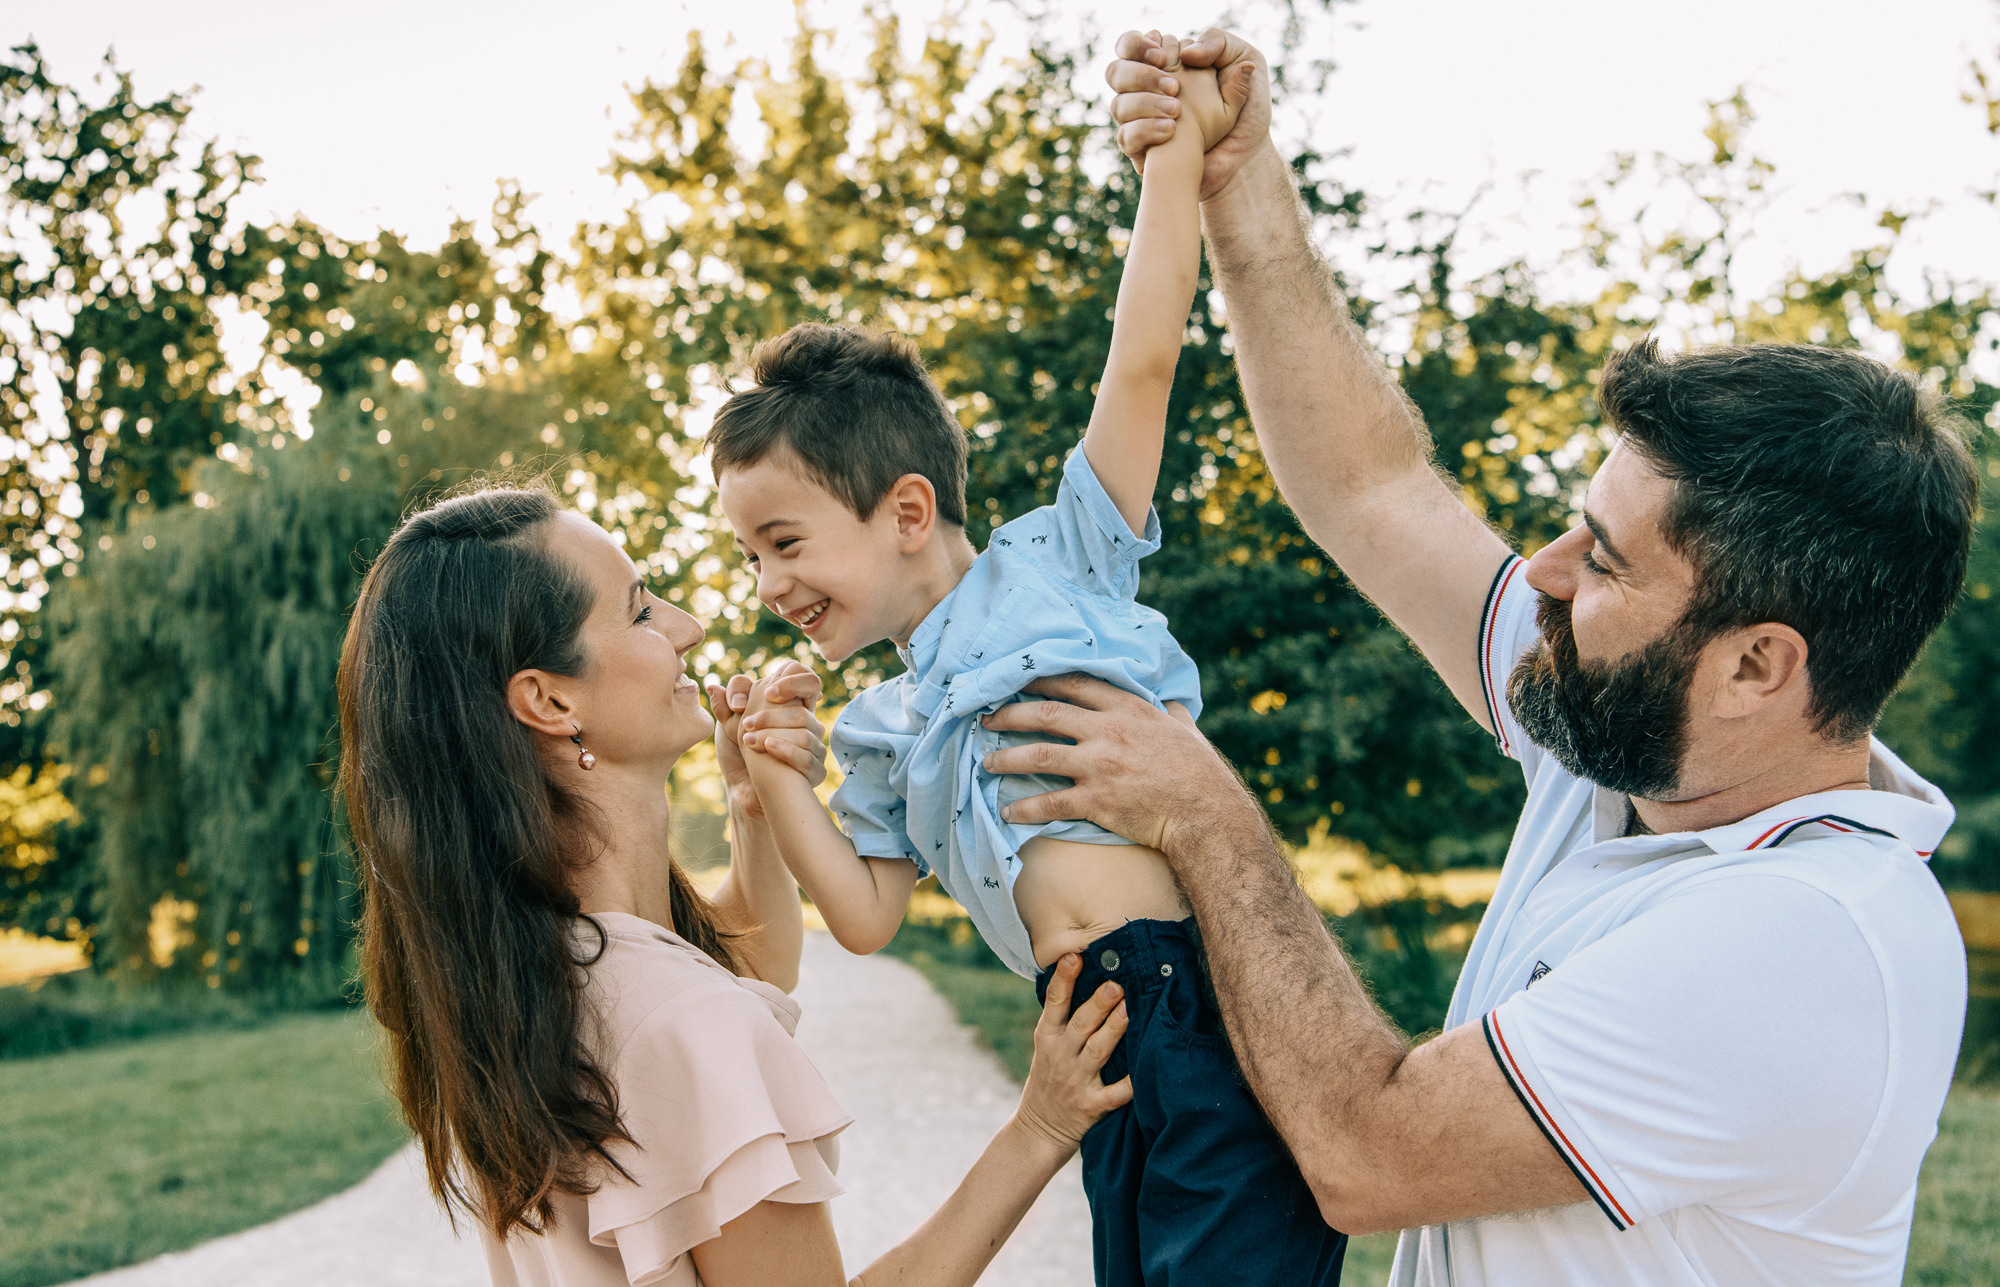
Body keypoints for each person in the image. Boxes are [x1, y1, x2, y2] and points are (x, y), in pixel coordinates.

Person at [970, 25, 1977, 1287]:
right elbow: (1373, 485)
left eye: (1603, 563)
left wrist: (1205, 818)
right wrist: (1239, 181)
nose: (1544, 575)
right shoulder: (1632, 743)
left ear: (1755, 666)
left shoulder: (1804, 941)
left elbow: (1370, 1153)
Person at [708, 40, 1346, 1287]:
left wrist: (1173, 156)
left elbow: (1144, 352)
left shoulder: (1060, 560)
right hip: (1088, 1039)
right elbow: (865, 917)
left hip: (1202, 1005)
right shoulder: (881, 727)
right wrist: (775, 777)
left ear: (903, 509)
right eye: (745, 557)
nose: (767, 584)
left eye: (783, 542)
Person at [336, 482, 1133, 1287]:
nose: (690, 625)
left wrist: (752, 806)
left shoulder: (522, 982)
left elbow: (741, 975)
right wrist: (1037, 1127)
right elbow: (708, 1021)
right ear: (549, 699)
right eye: (642, 610)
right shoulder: (686, 1023)